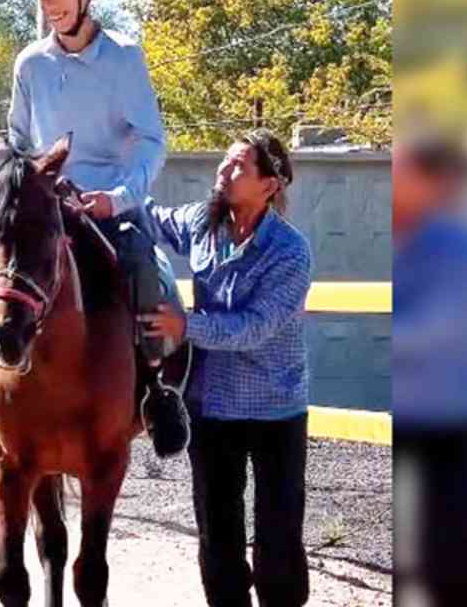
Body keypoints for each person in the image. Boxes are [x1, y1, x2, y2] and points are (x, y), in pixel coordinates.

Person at [0, 0, 187, 453]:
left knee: (142, 262)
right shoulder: (29, 63)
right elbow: (19, 140)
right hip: (45, 202)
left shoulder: (124, 58)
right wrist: (16, 180)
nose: (49, 5)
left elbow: (152, 140)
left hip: (107, 204)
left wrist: (117, 196)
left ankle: (156, 387)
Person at [140, 129, 313, 607]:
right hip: (212, 407)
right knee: (217, 532)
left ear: (269, 185)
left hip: (275, 409)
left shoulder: (290, 252)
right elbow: (152, 218)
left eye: (239, 165)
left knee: (278, 535)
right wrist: (109, 197)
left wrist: (184, 324)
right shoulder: (203, 221)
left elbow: (254, 328)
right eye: (225, 160)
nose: (224, 170)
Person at [392, 130, 467, 607]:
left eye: (400, 169)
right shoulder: (399, 236)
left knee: (453, 554)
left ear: (432, 182)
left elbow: (433, 328)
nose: (390, 178)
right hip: (406, 412)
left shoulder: (466, 249)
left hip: (453, 419)